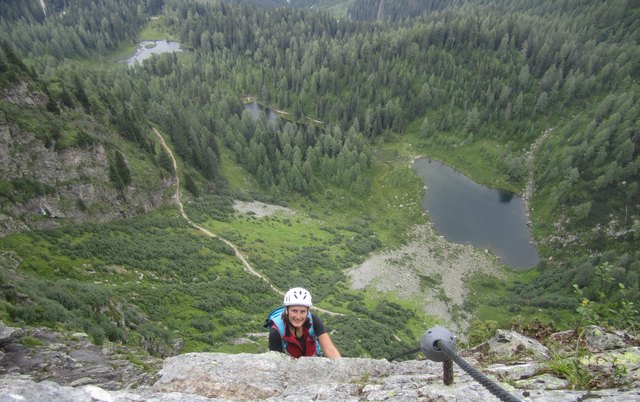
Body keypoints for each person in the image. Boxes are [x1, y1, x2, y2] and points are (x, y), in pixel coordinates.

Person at [266, 287, 341, 359]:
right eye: (294, 311)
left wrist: (340, 367)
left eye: (303, 311)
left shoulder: (313, 321)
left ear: (307, 311)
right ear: (287, 310)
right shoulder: (276, 332)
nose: (298, 317)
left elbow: (329, 349)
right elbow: (277, 362)